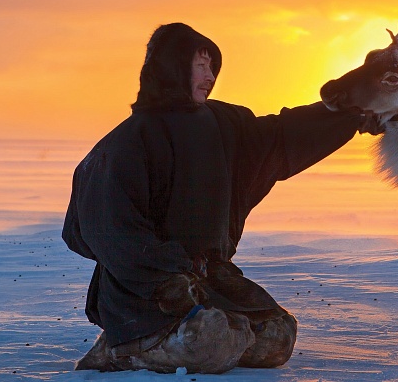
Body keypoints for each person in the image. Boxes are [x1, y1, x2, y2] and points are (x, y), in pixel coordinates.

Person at [62, 23, 380, 374]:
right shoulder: (126, 142)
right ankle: (122, 349)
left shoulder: (225, 122)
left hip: (210, 277)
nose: (210, 75)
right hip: (143, 290)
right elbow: (105, 230)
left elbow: (280, 137)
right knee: (209, 341)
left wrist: (352, 112)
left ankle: (190, 339)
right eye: (200, 65)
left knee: (278, 337)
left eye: (212, 66)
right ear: (172, 67)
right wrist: (168, 279)